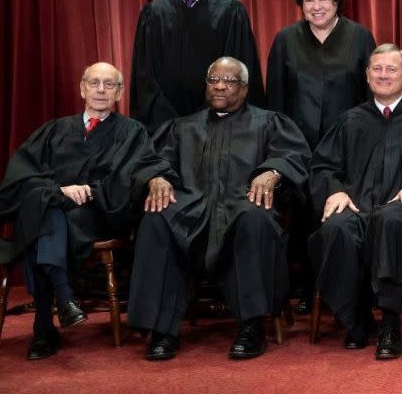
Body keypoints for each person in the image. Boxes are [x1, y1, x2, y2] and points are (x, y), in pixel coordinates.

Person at [127, 57, 310, 361]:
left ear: (245, 87)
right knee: (157, 219)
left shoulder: (268, 122)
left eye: (230, 80)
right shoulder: (183, 127)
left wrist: (274, 172)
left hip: (241, 209)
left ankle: (252, 326)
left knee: (256, 218)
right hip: (192, 212)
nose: (221, 86)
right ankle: (162, 331)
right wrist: (157, 177)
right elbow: (153, 161)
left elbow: (295, 157)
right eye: (214, 80)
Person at [0, 63, 150, 360]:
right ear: (82, 88)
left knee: (40, 215)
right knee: (46, 209)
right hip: (54, 211)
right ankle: (63, 300)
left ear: (120, 92)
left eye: (109, 84)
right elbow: (19, 176)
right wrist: (58, 191)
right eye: (94, 82)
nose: (101, 90)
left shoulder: (132, 133)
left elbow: (126, 183)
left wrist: (82, 192)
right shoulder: (54, 130)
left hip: (97, 214)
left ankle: (44, 327)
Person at [309, 44, 402, 359]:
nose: (384, 75)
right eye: (377, 69)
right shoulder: (350, 119)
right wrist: (335, 189)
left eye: (392, 69)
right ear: (367, 76)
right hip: (359, 209)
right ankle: (356, 320)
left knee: (388, 220)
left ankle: (390, 323)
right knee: (336, 227)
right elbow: (323, 166)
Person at [266, 0, 376, 312]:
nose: (316, 6)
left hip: (348, 145)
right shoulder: (285, 39)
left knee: (343, 212)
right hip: (298, 145)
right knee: (301, 217)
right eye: (309, 0)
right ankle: (306, 287)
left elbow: (370, 92)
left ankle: (347, 286)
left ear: (336, 2)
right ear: (301, 4)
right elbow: (276, 98)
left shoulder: (359, 37)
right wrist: (282, 143)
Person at [130, 0, 265, 134]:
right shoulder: (153, 14)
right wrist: (171, 122)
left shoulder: (231, 12)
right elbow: (144, 78)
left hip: (219, 126)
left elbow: (240, 73)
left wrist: (205, 117)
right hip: (164, 128)